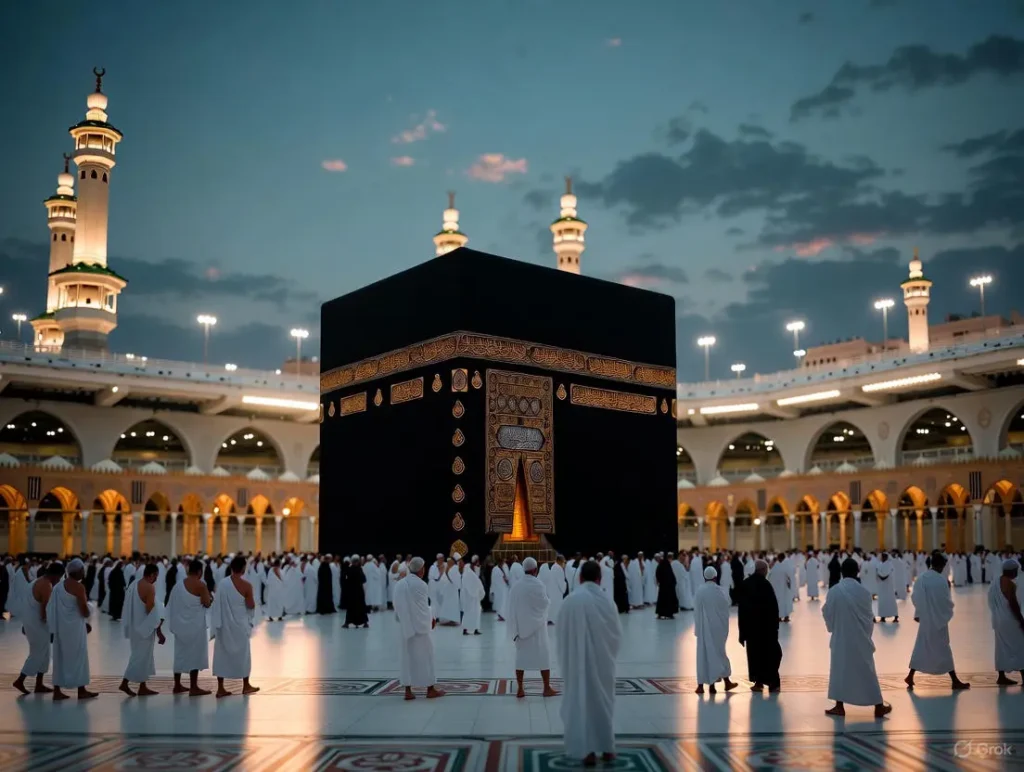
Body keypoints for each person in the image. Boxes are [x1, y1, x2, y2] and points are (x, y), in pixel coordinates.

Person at [556, 559, 621, 766]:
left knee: (581, 702)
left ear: (580, 577)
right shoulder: (608, 601)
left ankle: (587, 750)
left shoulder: (571, 600)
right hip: (603, 665)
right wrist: (605, 653)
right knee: (603, 703)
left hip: (576, 664)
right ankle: (608, 748)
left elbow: (560, 633)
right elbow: (616, 635)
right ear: (600, 578)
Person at [822, 558, 890, 717]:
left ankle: (839, 706)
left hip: (841, 638)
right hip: (860, 638)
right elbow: (868, 617)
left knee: (840, 670)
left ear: (841, 572)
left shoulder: (835, 591)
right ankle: (878, 706)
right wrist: (865, 634)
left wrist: (833, 627)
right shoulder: (865, 593)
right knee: (867, 670)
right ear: (857, 571)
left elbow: (827, 612)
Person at [906, 552, 970, 690]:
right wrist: (943, 614)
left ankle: (910, 676)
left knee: (922, 647)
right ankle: (955, 680)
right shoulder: (941, 580)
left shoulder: (922, 578)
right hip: (939, 621)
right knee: (944, 649)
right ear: (940, 565)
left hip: (926, 620)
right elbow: (945, 602)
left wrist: (919, 613)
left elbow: (916, 597)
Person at [393, 557, 445, 700]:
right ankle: (430, 689)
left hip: (405, 628)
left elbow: (397, 607)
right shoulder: (421, 585)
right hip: (420, 629)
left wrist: (405, 622)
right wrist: (431, 619)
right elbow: (422, 609)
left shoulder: (399, 584)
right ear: (421, 569)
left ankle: (408, 691)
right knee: (427, 657)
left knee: (406, 658)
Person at [506, 557, 557, 699]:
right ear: (535, 570)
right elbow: (544, 604)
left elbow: (511, 608)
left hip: (521, 629)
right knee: (543, 657)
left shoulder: (516, 586)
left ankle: (520, 689)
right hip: (538, 629)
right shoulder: (538, 585)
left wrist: (514, 629)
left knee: (521, 659)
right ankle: (546, 688)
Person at [48, 559, 97, 701]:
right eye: (82, 570)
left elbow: (52, 608)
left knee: (60, 658)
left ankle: (57, 691)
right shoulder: (79, 587)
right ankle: (81, 690)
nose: (84, 572)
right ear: (78, 571)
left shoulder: (58, 587)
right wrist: (91, 610)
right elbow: (84, 611)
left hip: (60, 628)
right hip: (75, 628)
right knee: (79, 657)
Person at [210, 556, 259, 697]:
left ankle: (220, 688)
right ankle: (246, 685)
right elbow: (250, 605)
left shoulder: (223, 584)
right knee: (243, 655)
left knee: (221, 655)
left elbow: (217, 606)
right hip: (240, 626)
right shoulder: (247, 586)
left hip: (224, 625)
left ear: (231, 568)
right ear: (243, 569)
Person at [13, 561, 64, 695]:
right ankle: (20, 680)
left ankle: (39, 684)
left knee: (45, 653)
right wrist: (53, 625)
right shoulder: (46, 585)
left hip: (32, 622)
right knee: (37, 653)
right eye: (59, 577)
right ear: (55, 575)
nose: (58, 580)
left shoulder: (38, 581)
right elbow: (45, 609)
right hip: (38, 624)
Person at [120, 563, 166, 697]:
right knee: (139, 657)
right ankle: (124, 683)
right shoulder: (149, 587)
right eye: (156, 576)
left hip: (135, 625)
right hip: (145, 627)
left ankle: (143, 686)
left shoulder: (134, 584)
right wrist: (159, 626)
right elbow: (150, 609)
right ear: (151, 575)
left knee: (143, 656)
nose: (156, 579)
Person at [169, 559, 213, 696]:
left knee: (180, 654)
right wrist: (209, 599)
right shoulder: (201, 585)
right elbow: (206, 603)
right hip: (195, 626)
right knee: (195, 654)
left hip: (181, 626)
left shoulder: (178, 585)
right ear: (200, 571)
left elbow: (172, 604)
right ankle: (193, 687)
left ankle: (177, 685)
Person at [738, 560, 782, 692]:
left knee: (754, 655)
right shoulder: (766, 585)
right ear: (763, 570)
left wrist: (742, 631)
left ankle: (758, 683)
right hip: (766, 629)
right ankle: (772, 683)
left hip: (751, 629)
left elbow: (741, 608)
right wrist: (775, 627)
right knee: (770, 655)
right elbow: (774, 608)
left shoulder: (746, 583)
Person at [693, 566, 737, 694]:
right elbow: (726, 606)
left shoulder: (700, 591)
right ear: (715, 576)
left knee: (703, 656)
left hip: (704, 629)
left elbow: (696, 610)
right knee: (719, 653)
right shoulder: (720, 591)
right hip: (718, 629)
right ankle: (724, 683)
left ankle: (701, 686)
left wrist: (698, 628)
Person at [988, 559, 1024, 685]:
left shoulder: (994, 583)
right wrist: (1021, 620)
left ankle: (1001, 677)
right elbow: (1013, 604)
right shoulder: (1010, 584)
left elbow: (991, 602)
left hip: (997, 620)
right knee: (1020, 645)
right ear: (1012, 571)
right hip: (1009, 620)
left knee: (1001, 648)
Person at [343, 554, 369, 628]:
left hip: (351, 591)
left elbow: (345, 579)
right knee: (361, 607)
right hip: (359, 591)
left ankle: (347, 623)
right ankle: (365, 622)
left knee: (351, 607)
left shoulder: (349, 569)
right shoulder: (359, 569)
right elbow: (364, 579)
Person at [460, 558, 485, 635]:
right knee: (468, 613)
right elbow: (470, 583)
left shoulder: (473, 571)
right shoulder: (468, 572)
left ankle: (475, 629)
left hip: (475, 597)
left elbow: (477, 581)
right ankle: (465, 629)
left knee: (476, 613)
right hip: (469, 597)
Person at [543, 556, 568, 622]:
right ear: (560, 561)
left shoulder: (554, 567)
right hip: (557, 591)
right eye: (563, 562)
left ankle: (551, 619)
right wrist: (565, 584)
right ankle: (555, 619)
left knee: (553, 605)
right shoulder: (559, 569)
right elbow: (561, 583)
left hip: (553, 590)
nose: (564, 564)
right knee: (557, 606)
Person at [875, 552, 898, 623]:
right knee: (882, 601)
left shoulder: (889, 564)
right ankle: (882, 617)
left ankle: (896, 616)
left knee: (890, 600)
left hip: (888, 586)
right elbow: (878, 572)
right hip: (882, 586)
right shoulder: (880, 564)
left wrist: (880, 575)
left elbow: (885, 575)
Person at [768, 556, 793, 623]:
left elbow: (770, 578)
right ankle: (786, 617)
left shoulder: (774, 569)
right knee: (785, 601)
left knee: (778, 602)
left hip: (776, 589)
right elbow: (788, 577)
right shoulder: (784, 567)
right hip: (784, 589)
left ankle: (778, 617)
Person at [654, 553, 678, 620]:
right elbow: (672, 576)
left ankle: (661, 613)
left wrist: (660, 581)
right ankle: (670, 614)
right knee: (669, 601)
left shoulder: (661, 565)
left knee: (662, 601)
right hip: (669, 587)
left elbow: (657, 574)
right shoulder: (667, 565)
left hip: (663, 587)